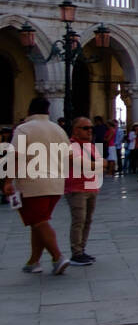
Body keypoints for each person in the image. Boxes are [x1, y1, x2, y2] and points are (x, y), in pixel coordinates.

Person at [3, 98, 72, 274]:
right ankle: (34, 261)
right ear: (48, 112)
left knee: (39, 222)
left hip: (32, 184)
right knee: (39, 221)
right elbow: (68, 156)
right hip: (56, 184)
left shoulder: (24, 128)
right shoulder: (59, 129)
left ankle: (58, 257)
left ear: (29, 110)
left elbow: (16, 156)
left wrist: (8, 181)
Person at [65, 116, 100, 265]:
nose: (89, 131)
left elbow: (100, 164)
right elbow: (89, 165)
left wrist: (97, 164)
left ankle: (82, 249)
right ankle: (76, 253)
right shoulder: (71, 146)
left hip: (91, 186)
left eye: (91, 128)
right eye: (85, 128)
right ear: (75, 130)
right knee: (78, 221)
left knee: (87, 220)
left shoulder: (90, 146)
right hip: (76, 188)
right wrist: (96, 164)